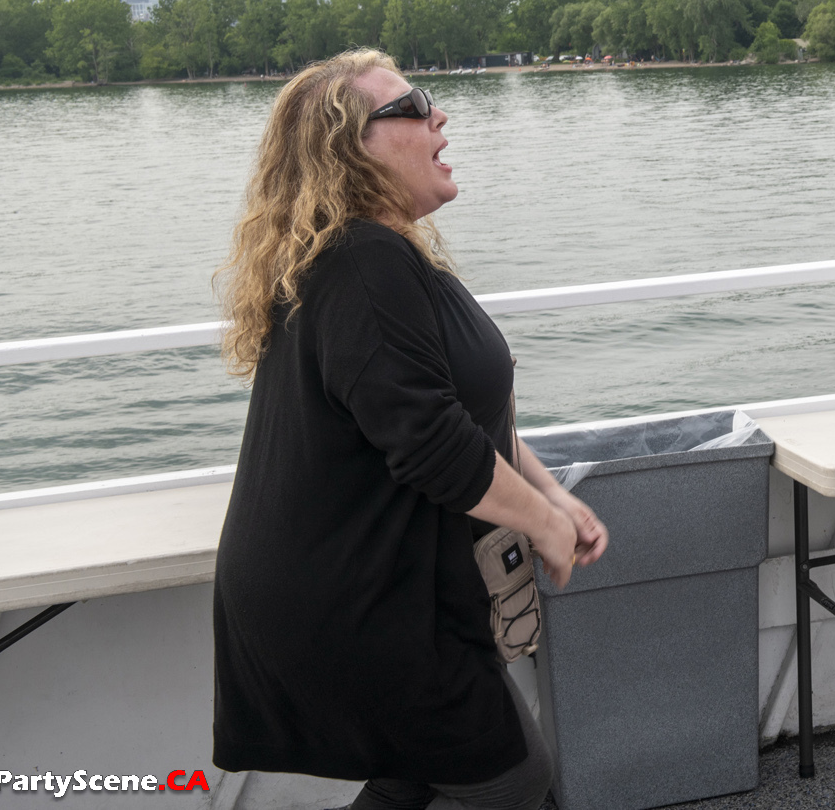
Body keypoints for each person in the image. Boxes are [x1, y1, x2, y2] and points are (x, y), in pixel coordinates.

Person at [211, 49, 608, 810]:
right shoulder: (363, 263)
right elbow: (432, 444)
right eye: (414, 105)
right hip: (359, 599)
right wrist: (544, 523)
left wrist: (553, 494)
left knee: (421, 772)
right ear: (349, 147)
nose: (439, 115)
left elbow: (462, 412)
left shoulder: (379, 256)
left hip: (384, 586)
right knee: (509, 779)